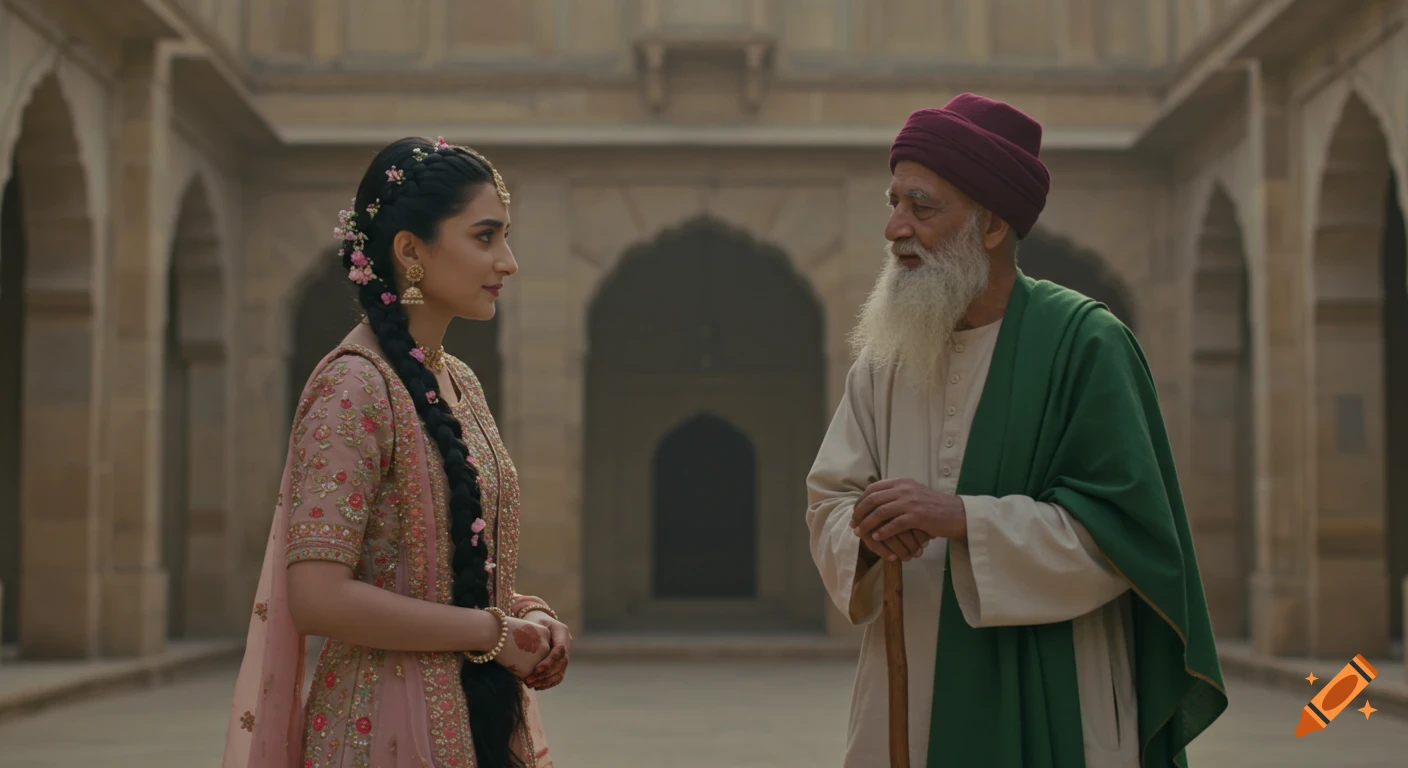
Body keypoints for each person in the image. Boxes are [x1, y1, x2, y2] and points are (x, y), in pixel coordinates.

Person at [805, 94, 1227, 767]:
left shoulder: (1087, 344)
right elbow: (829, 499)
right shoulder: (885, 359)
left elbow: (1130, 536)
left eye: (922, 207)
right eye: (893, 203)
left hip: (1060, 688)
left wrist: (961, 518)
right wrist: (865, 530)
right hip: (905, 695)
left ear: (993, 224)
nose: (894, 228)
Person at [223, 137, 568, 768]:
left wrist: (527, 615)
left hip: (477, 721)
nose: (509, 261)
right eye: (485, 237)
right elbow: (318, 598)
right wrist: (492, 633)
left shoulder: (457, 380)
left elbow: (434, 575)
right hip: (376, 731)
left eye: (505, 237)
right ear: (410, 251)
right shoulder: (352, 386)